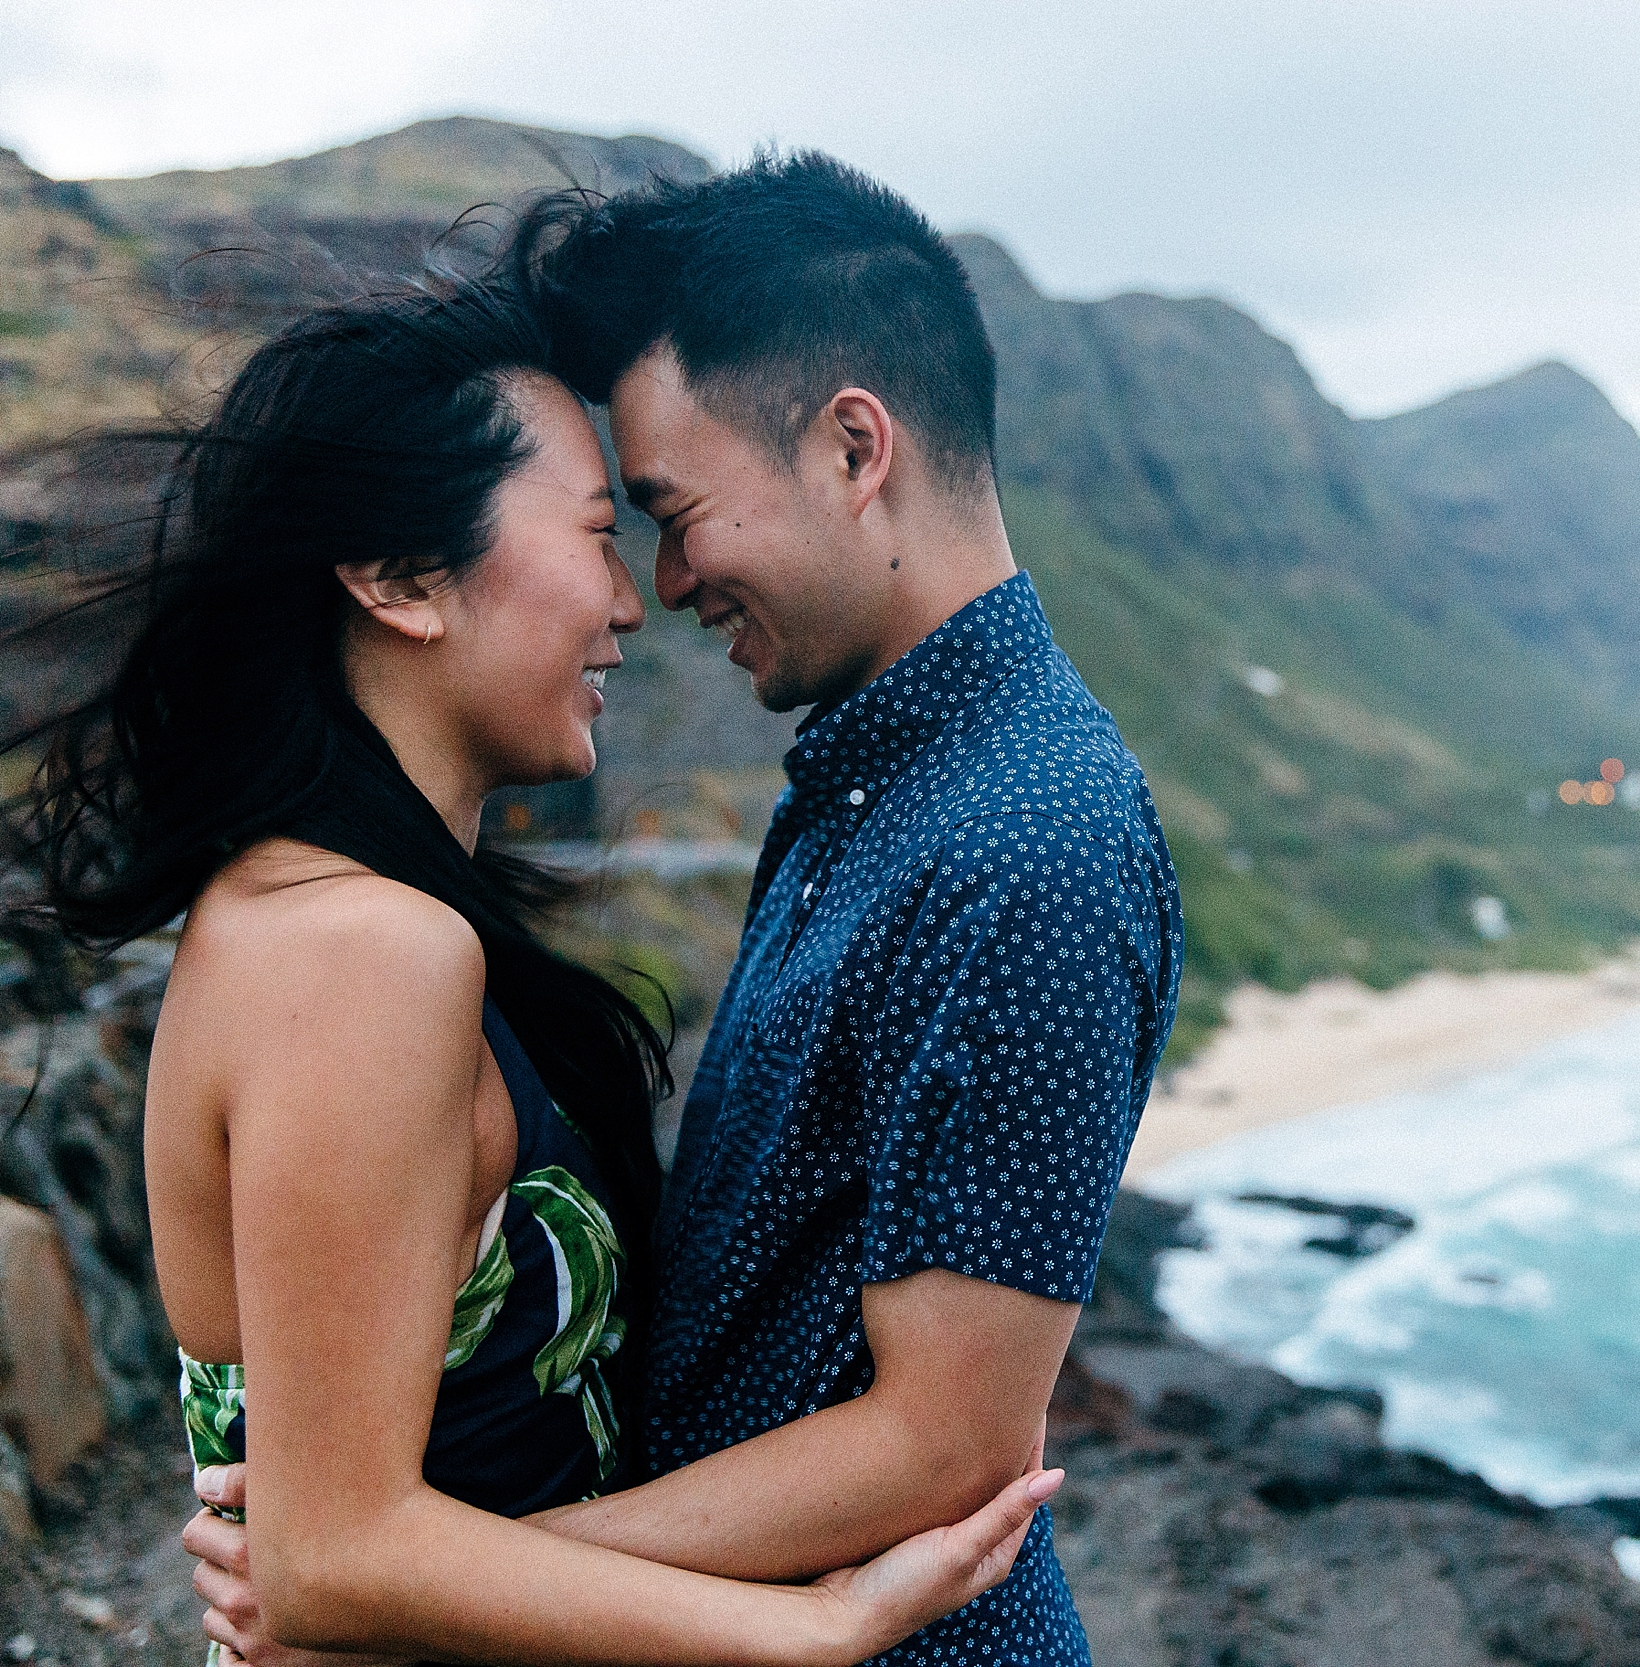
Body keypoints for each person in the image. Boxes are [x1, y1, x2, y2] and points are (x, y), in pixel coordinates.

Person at [192, 153, 1184, 1665]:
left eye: (666, 510)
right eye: (613, 527)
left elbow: (943, 1445)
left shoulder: (1024, 834)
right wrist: (376, 1561)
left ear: (857, 450)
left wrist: (407, 1578)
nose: (657, 584)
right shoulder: (876, 777)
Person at [6, 280, 1058, 1665]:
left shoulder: (329, 914)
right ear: (396, 578)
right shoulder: (358, 950)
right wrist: (808, 1630)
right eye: (592, 538)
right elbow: (331, 1560)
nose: (639, 600)